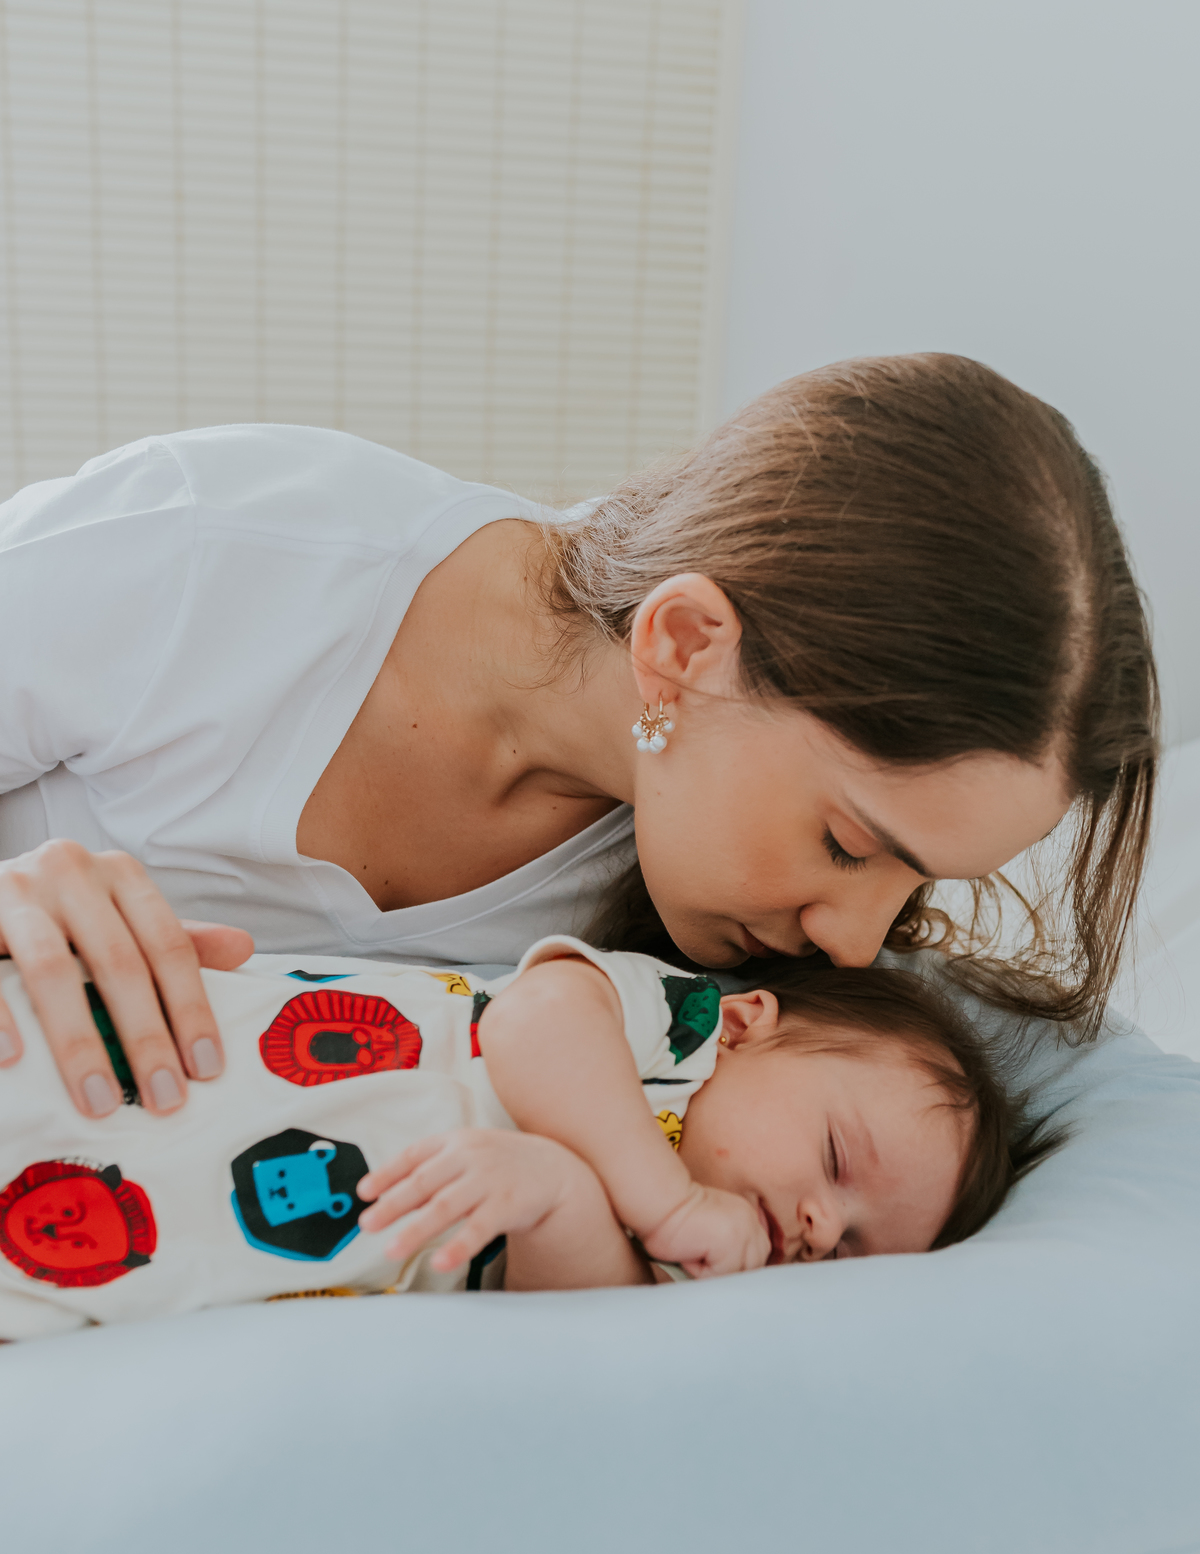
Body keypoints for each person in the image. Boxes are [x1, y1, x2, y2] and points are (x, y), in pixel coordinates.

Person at [0, 355, 1157, 1129]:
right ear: (689, 643)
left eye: (913, 879)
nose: (857, 945)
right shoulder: (216, 548)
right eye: (850, 843)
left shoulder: (712, 956)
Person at [0, 939, 1033, 1337]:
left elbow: (581, 1318)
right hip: (206, 1063)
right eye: (838, 1161)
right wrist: (662, 1198)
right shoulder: (674, 1032)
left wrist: (561, 1195)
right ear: (753, 1021)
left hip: (189, 1239)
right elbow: (535, 1022)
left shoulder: (708, 1279)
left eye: (853, 1244)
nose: (818, 1220)